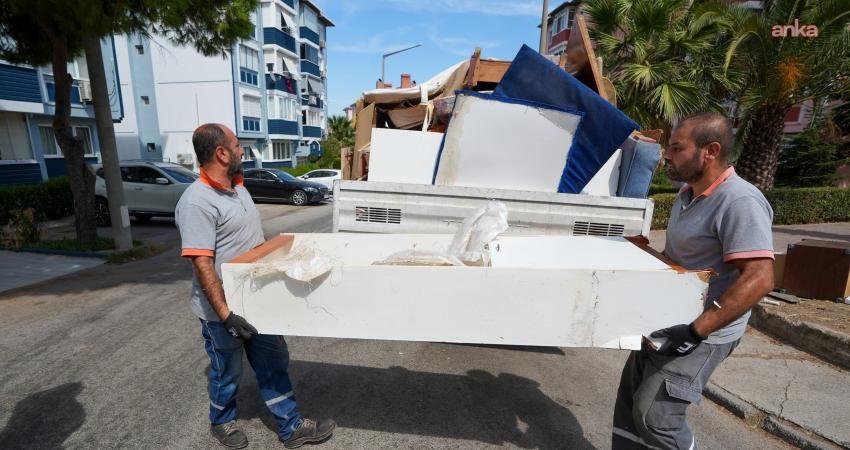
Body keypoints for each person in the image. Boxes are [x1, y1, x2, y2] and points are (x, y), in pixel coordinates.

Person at [612, 113, 775, 449]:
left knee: (656, 417)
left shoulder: (739, 201)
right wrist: (643, 253)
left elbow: (759, 278)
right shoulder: (688, 193)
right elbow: (687, 263)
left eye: (676, 147)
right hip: (666, 321)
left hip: (702, 333)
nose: (666, 155)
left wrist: (695, 331)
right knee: (630, 408)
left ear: (710, 151)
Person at [175, 123, 335, 449]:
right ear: (220, 153)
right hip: (222, 312)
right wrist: (226, 315)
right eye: (236, 145)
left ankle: (291, 428)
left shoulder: (239, 188)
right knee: (227, 372)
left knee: (274, 361)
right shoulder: (197, 202)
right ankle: (222, 422)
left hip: (259, 300)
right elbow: (202, 264)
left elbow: (253, 241)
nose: (241, 151)